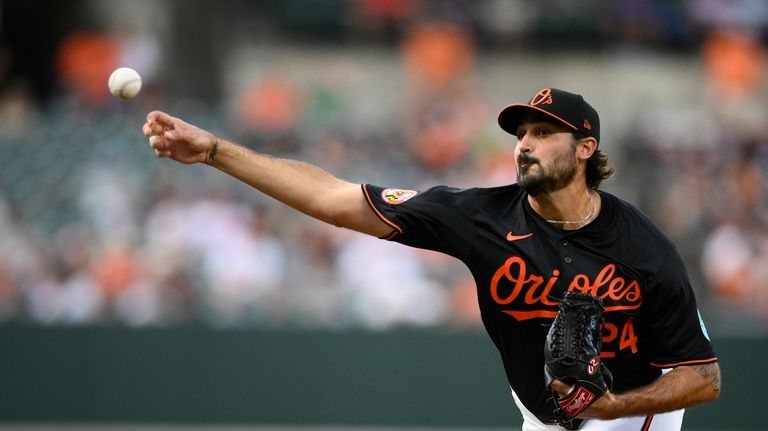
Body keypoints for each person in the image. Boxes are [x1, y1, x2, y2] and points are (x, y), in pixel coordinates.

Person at [141, 87, 720, 430]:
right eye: (522, 132)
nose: (524, 144)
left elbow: (704, 377)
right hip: (542, 412)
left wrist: (615, 404)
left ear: (586, 149)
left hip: (626, 415)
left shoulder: (644, 248)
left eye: (544, 132)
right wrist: (215, 152)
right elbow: (332, 198)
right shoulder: (481, 217)